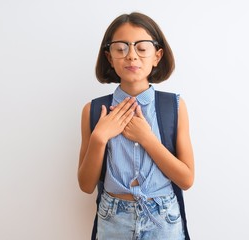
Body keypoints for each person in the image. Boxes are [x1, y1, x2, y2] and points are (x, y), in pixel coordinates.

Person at [78, 12, 194, 240]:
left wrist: (148, 140)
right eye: (121, 49)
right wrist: (99, 138)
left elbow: (186, 179)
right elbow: (86, 185)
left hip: (164, 220)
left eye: (142, 48)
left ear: (157, 56)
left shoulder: (174, 106)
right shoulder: (92, 111)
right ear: (109, 58)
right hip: (113, 219)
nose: (131, 56)